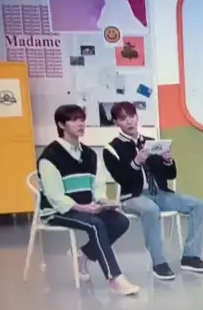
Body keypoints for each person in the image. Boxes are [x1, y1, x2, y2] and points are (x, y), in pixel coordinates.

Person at [38, 104, 139, 295]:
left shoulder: (90, 154)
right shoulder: (50, 156)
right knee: (95, 224)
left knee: (120, 221)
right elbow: (55, 196)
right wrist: (82, 208)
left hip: (86, 208)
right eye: (74, 120)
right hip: (56, 211)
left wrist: (103, 202)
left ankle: (84, 254)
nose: (81, 124)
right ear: (61, 124)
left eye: (82, 120)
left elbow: (98, 187)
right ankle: (114, 278)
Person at [103, 102, 203, 281]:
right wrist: (136, 162)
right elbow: (122, 178)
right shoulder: (112, 149)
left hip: (160, 193)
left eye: (132, 116)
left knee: (198, 205)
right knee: (150, 209)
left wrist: (167, 161)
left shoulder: (151, 142)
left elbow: (170, 175)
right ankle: (159, 263)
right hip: (133, 196)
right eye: (122, 118)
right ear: (116, 122)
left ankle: (190, 256)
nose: (129, 121)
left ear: (137, 117)